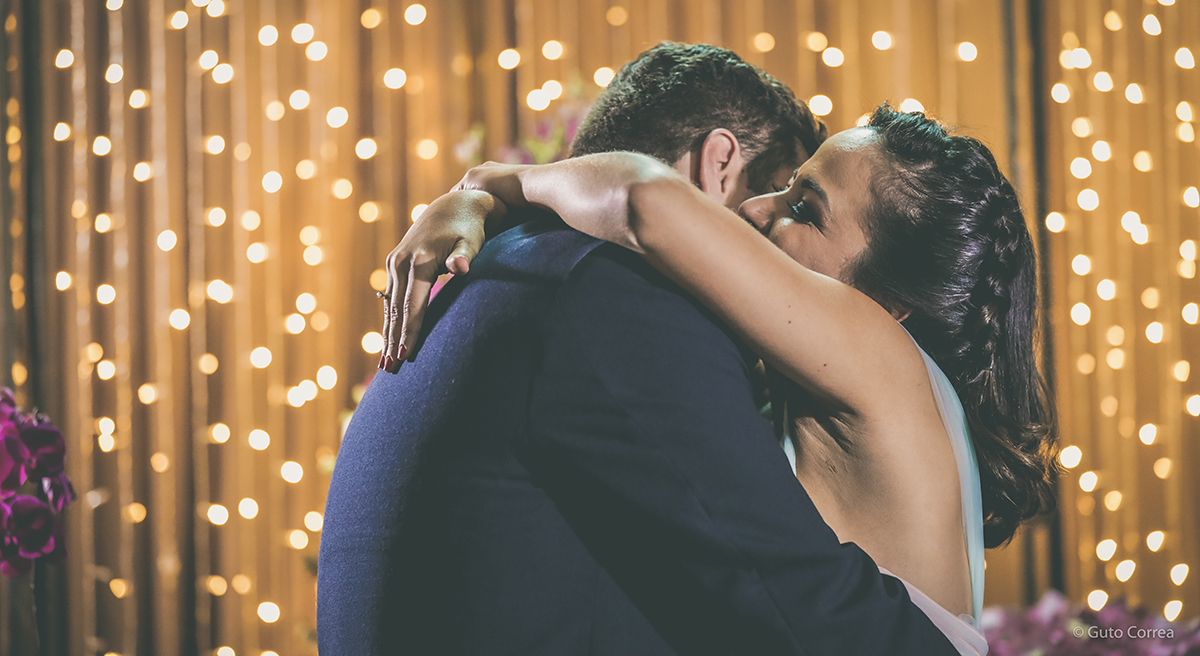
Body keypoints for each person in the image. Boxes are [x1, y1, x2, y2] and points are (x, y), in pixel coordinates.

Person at [319, 42, 962, 655]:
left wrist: (491, 185)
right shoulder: (620, 297)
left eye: (800, 208)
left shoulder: (506, 270)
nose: (760, 218)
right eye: (774, 187)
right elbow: (791, 602)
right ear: (718, 165)